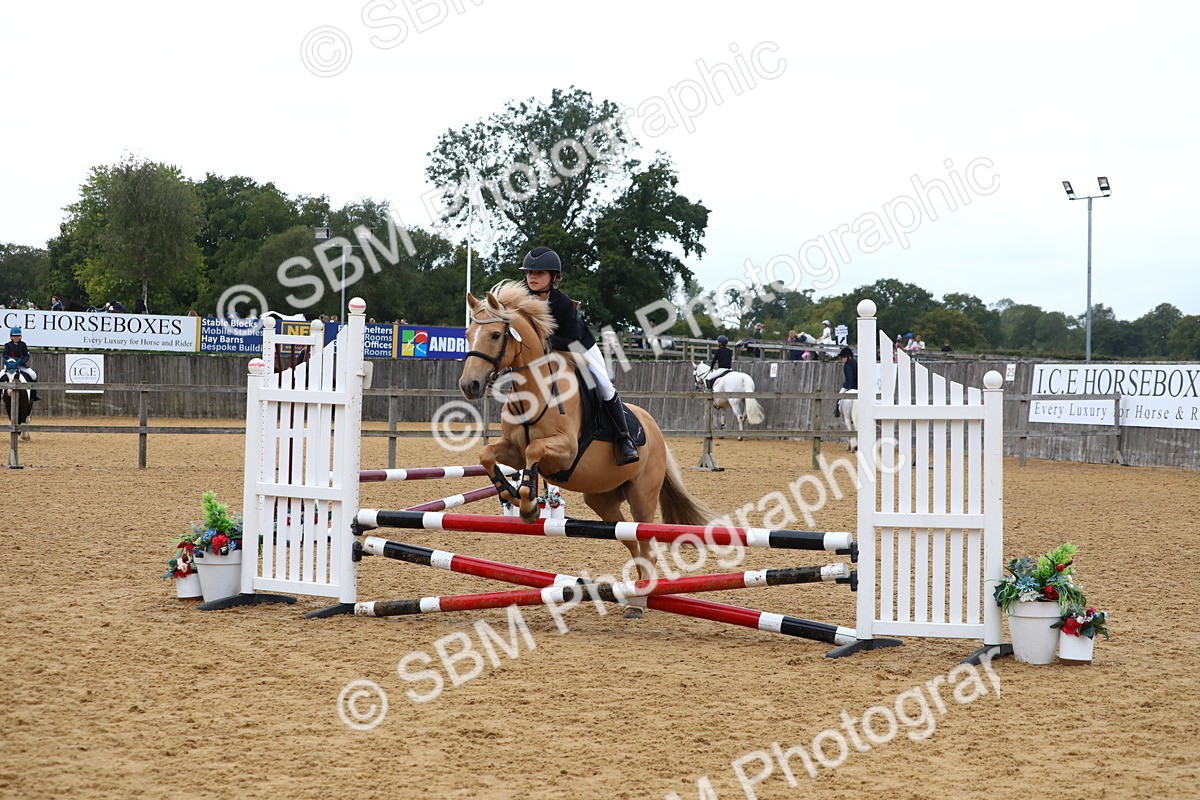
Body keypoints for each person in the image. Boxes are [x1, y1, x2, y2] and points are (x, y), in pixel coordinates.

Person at [520, 246, 638, 466]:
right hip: (545, 353)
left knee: (603, 385)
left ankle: (624, 438)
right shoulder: (523, 299)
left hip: (579, 348)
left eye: (539, 273)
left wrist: (541, 343)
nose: (532, 277)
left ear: (553, 277)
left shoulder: (563, 304)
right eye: (529, 273)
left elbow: (572, 339)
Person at [3, 327, 40, 401]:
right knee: (0, 375)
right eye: (14, 336)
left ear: (20, 336)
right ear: (11, 336)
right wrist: (12, 361)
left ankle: (34, 394)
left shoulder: (23, 345)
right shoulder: (7, 345)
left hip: (21, 366)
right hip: (10, 367)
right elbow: (4, 355)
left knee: (33, 375)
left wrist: (20, 362)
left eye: (17, 336)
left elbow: (27, 355)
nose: (16, 338)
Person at [833, 346, 856, 417]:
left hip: (850, 385)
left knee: (839, 396)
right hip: (858, 385)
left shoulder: (847, 365)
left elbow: (850, 378)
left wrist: (847, 385)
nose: (842, 359)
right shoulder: (856, 363)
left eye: (844, 357)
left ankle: (836, 412)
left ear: (848, 357)